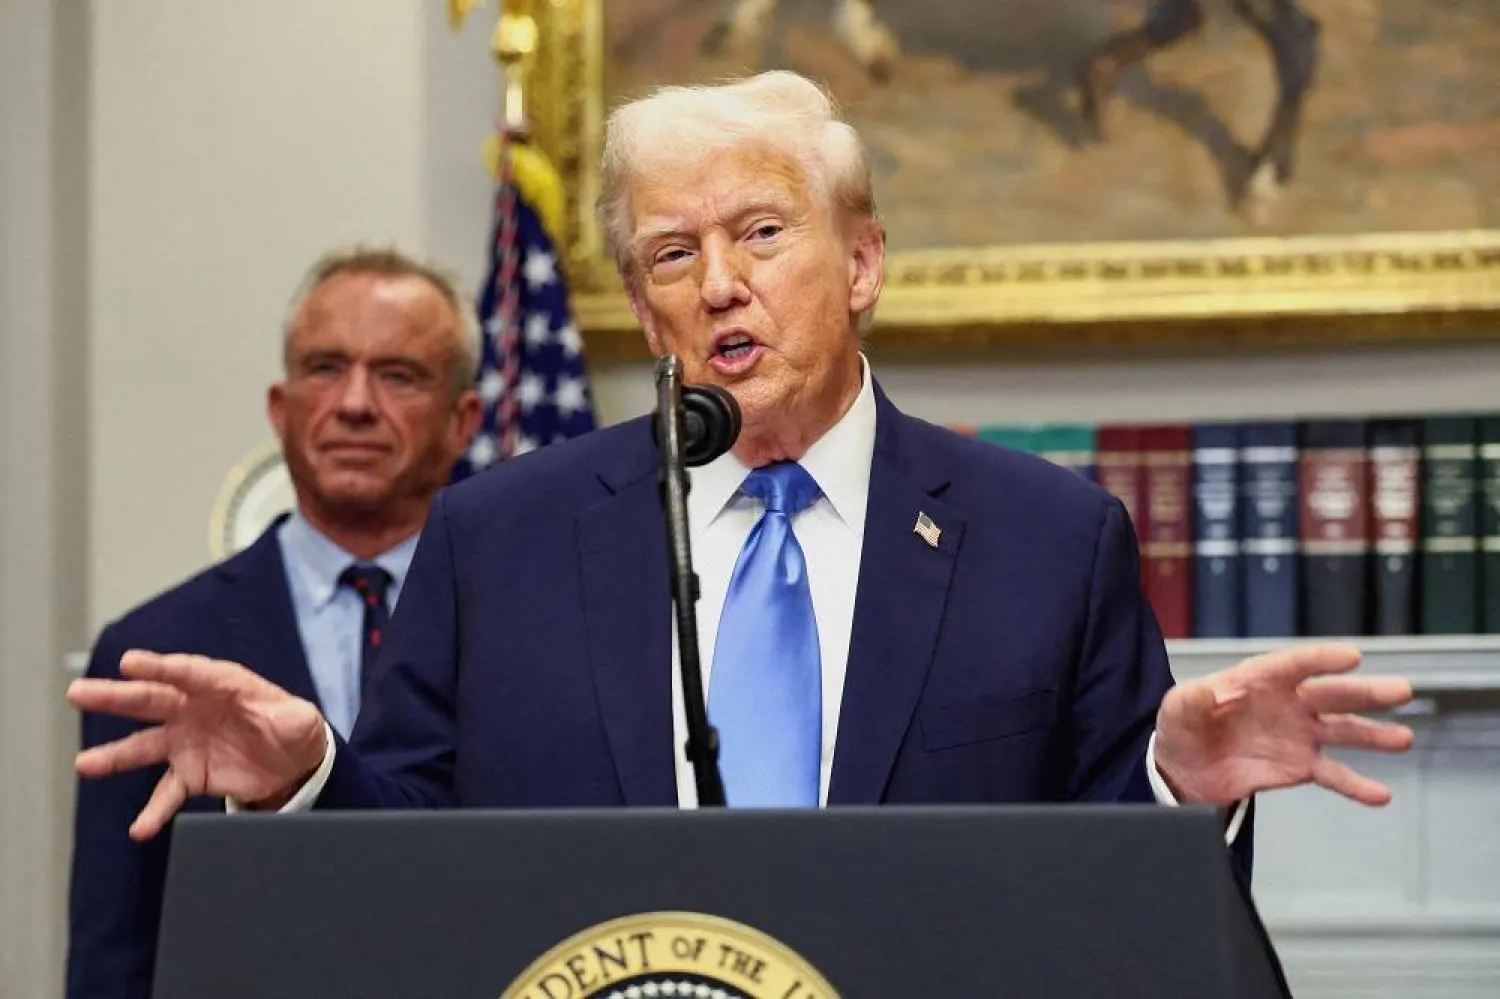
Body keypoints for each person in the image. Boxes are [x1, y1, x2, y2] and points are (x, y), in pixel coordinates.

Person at [68, 73, 1412, 882]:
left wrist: (1181, 789)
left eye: (763, 232)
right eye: (670, 254)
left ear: (863, 265)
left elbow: (1107, 890)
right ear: (647, 314)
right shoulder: (502, 538)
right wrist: (312, 774)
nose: (719, 283)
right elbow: (421, 860)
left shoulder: (1047, 538)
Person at [65, 247, 483, 999]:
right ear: (279, 407)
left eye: (398, 375)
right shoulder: (153, 649)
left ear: (463, 421)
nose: (355, 403)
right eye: (324, 368)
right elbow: (115, 951)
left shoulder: (525, 623)